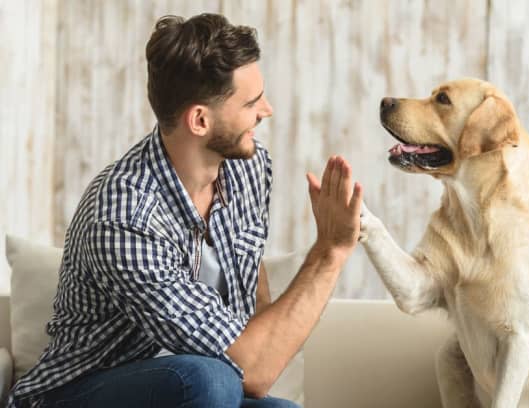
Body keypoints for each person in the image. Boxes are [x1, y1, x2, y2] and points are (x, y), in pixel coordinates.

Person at [8, 13, 362, 408]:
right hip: (80, 393)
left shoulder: (248, 165)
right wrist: (330, 251)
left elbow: (252, 286)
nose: (267, 110)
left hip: (206, 390)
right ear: (199, 120)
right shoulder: (124, 216)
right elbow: (255, 371)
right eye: (251, 102)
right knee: (208, 379)